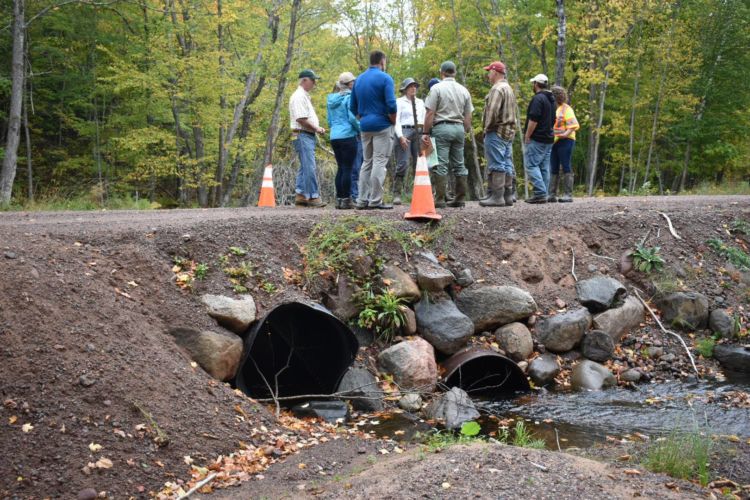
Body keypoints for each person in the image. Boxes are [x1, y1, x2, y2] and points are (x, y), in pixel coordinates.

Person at [421, 61, 474, 208]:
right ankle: (460, 198)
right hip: (459, 128)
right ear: (455, 72)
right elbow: (468, 115)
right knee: (459, 164)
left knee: (441, 164)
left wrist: (425, 132)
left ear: (441, 72)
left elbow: (430, 112)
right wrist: (465, 130)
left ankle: (440, 199)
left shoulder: (437, 88)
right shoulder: (464, 90)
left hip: (442, 128)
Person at [350, 50, 397, 210]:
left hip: (365, 126)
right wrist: (393, 121)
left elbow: (352, 107)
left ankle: (361, 200)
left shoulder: (359, 80)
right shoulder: (385, 78)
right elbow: (391, 104)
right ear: (382, 61)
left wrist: (363, 119)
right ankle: (375, 200)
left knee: (366, 162)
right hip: (382, 125)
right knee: (379, 161)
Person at [479, 61, 517, 208]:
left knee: (496, 163)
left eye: (489, 71)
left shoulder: (497, 89)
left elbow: (492, 112)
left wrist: (487, 128)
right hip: (508, 132)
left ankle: (497, 197)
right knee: (506, 162)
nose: (488, 74)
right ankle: (507, 195)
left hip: (496, 131)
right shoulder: (508, 88)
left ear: (495, 72)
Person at [289, 69, 326, 207]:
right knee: (309, 166)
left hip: (304, 134)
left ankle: (301, 194)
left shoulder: (303, 95)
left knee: (305, 166)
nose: (314, 84)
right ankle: (312, 197)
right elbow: (301, 118)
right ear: (304, 80)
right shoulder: (299, 96)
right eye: (313, 80)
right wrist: (316, 128)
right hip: (302, 134)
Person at [327, 72, 361, 209]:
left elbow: (329, 120)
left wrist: (335, 129)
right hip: (347, 136)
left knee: (341, 168)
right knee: (348, 168)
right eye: (353, 82)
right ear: (350, 84)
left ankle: (339, 199)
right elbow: (353, 118)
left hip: (334, 136)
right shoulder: (350, 97)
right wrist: (360, 129)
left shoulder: (331, 99)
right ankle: (346, 200)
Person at [522, 73, 556, 204]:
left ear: (536, 84)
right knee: (543, 167)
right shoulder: (551, 99)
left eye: (533, 83)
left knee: (531, 165)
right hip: (548, 138)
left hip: (538, 138)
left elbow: (534, 119)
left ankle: (540, 193)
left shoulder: (538, 99)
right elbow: (553, 119)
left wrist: (527, 135)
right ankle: (544, 193)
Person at [392, 78, 426, 205]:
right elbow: (396, 121)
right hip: (404, 132)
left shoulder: (420, 102)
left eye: (415, 86)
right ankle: (397, 194)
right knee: (403, 163)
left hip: (419, 132)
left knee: (420, 164)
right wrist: (400, 136)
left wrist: (425, 134)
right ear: (405, 89)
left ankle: (419, 194)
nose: (413, 88)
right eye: (411, 86)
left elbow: (423, 118)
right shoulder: (399, 102)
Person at [549, 85, 579, 202]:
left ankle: (568, 194)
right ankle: (551, 194)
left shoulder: (566, 109)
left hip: (566, 140)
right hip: (554, 141)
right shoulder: (552, 108)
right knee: (554, 166)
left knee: (566, 165)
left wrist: (565, 134)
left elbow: (573, 125)